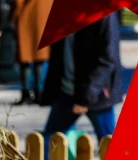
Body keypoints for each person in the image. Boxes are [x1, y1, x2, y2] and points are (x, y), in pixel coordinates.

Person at [40, 14, 123, 145]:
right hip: (67, 92)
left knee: (108, 145)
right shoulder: (65, 12)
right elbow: (58, 55)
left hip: (96, 94)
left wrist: (87, 95)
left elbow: (108, 58)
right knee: (49, 144)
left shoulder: (104, 13)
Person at [13, 0, 56, 105]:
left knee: (24, 60)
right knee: (39, 61)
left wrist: (14, 18)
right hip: (43, 29)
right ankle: (38, 92)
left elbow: (18, 1)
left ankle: (26, 92)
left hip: (26, 27)